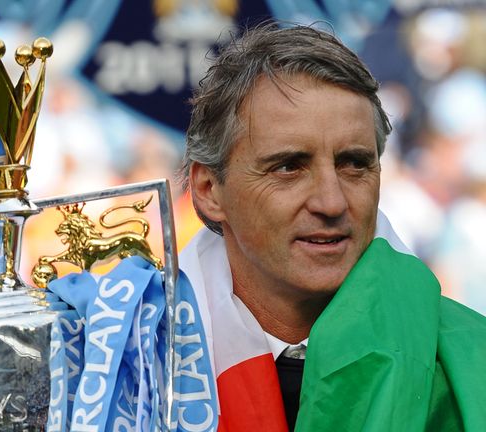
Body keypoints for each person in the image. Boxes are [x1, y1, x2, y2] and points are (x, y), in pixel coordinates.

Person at [180, 24, 486, 431]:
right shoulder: (118, 360)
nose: (332, 202)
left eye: (355, 164)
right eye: (289, 166)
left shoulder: (471, 359)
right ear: (208, 190)